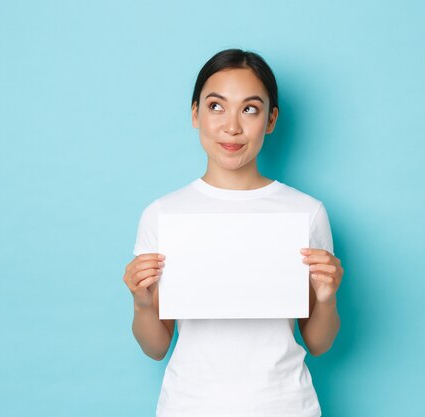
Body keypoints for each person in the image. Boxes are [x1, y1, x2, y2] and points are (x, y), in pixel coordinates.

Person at [122, 48, 344, 417]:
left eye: (250, 109)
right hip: (188, 406)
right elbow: (156, 346)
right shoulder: (162, 214)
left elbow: (318, 343)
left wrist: (326, 298)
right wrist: (142, 303)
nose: (232, 126)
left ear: (271, 120)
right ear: (195, 114)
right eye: (216, 106)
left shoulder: (306, 212)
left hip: (286, 405)